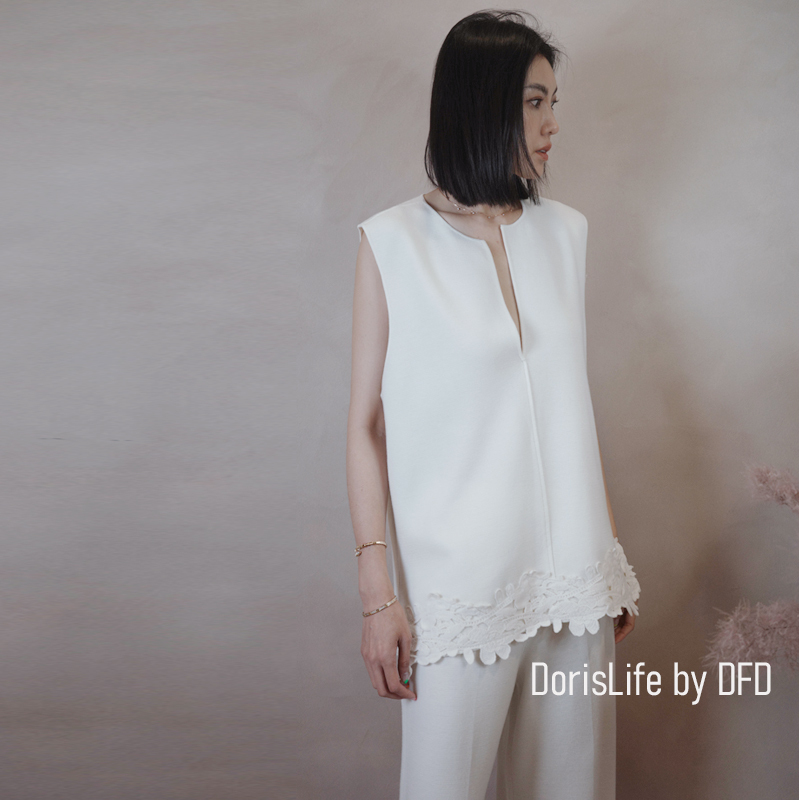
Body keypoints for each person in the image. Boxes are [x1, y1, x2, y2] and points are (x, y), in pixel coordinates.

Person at [346, 10, 641, 800]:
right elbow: (365, 427)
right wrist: (378, 596)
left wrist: (609, 554)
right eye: (534, 102)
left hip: (576, 582)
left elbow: (568, 405)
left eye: (553, 102)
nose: (553, 124)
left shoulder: (567, 234)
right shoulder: (393, 244)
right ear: (482, 104)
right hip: (460, 592)